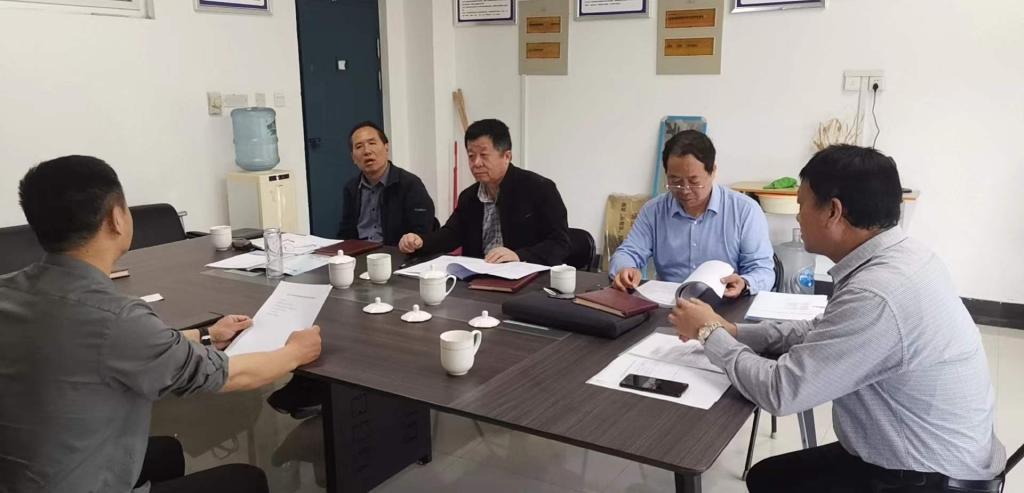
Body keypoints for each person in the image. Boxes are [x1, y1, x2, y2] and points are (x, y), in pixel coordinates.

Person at [668, 145, 1006, 492]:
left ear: (833, 211)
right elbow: (823, 329)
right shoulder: (904, 256)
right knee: (767, 477)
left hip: (926, 478)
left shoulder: (877, 293)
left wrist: (709, 331)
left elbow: (780, 391)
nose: (797, 218)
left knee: (770, 482)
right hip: (931, 453)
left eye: (801, 205)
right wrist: (734, 331)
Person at [0, 156, 323, 493]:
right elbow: (231, 375)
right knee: (246, 480)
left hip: (25, 475)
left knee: (166, 452)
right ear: (116, 219)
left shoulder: (8, 291)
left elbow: (107, 347)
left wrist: (207, 335)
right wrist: (295, 352)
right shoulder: (118, 318)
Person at [609, 130, 774, 298]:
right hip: (670, 304)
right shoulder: (654, 211)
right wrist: (625, 269)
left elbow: (763, 270)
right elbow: (627, 253)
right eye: (675, 181)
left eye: (694, 181)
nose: (685, 190)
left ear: (713, 171)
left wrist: (745, 283)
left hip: (726, 303)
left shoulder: (744, 210)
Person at [398, 118, 570, 265]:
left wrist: (519, 256)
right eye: (471, 156)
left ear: (507, 156)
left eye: (484, 155)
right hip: (478, 278)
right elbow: (451, 235)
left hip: (526, 279)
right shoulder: (469, 197)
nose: (476, 163)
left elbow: (560, 243)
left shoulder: (539, 189)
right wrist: (421, 241)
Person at [337, 121, 435, 244]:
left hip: (396, 252)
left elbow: (422, 232)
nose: (367, 151)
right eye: (359, 146)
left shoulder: (410, 184)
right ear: (353, 157)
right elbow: (346, 232)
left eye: (372, 143)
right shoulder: (351, 188)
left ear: (386, 147)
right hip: (360, 251)